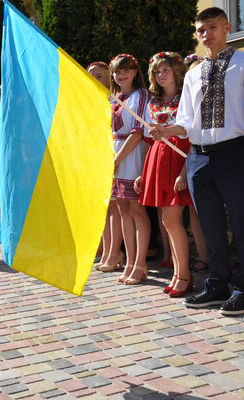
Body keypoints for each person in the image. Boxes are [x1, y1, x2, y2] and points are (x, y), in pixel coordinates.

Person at [152, 7, 244, 315]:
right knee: (210, 224)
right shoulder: (192, 75)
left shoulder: (242, 64)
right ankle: (217, 283)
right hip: (199, 157)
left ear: (227, 27)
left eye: (213, 27)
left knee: (242, 222)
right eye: (201, 30)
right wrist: (165, 129)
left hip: (235, 152)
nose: (207, 34)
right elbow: (187, 121)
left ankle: (243, 287)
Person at [134, 52, 196, 297]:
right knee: (166, 220)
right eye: (157, 72)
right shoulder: (154, 102)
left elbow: (190, 135)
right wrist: (142, 173)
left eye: (165, 70)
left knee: (171, 219)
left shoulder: (185, 97)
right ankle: (179, 273)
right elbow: (150, 139)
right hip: (157, 157)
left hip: (179, 156)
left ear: (177, 71)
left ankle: (184, 275)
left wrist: (184, 170)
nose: (160, 76)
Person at [108, 54, 151, 284]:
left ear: (135, 71)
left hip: (131, 154)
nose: (121, 74)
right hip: (114, 154)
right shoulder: (113, 97)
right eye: (116, 71)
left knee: (136, 209)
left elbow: (137, 131)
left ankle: (140, 263)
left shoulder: (140, 95)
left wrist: (118, 158)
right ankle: (130, 260)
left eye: (125, 70)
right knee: (122, 208)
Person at [87, 62, 124, 272]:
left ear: (109, 77)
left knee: (115, 206)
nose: (94, 79)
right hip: (97, 155)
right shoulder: (92, 101)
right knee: (103, 206)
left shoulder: (116, 100)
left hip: (113, 153)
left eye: (99, 76)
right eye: (91, 76)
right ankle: (106, 249)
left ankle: (114, 251)